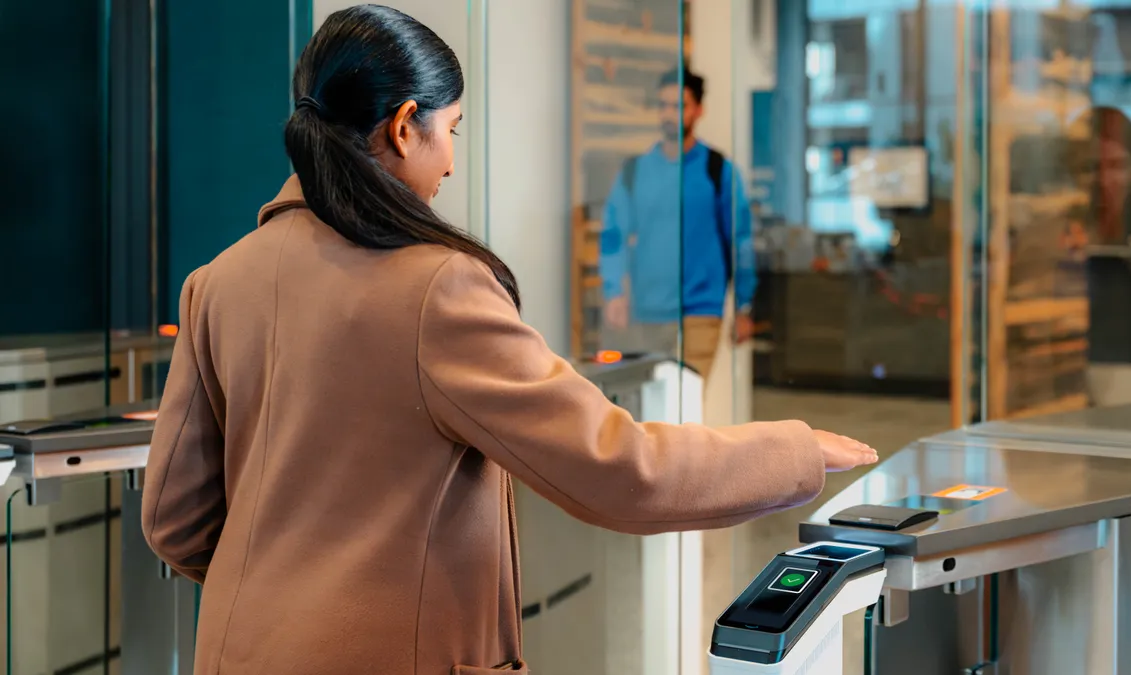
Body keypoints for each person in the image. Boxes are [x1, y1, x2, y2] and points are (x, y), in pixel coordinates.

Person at [140, 7, 877, 674]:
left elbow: (174, 520)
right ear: (404, 126)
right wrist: (795, 450)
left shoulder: (218, 282)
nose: (452, 162)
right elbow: (620, 469)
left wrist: (286, 589)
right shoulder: (436, 289)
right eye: (450, 130)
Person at [599, 68, 756, 380]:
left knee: (688, 408)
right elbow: (613, 234)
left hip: (701, 311)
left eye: (679, 106)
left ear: (698, 110)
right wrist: (614, 291)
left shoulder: (718, 171)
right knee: (652, 411)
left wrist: (744, 307)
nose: (669, 114)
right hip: (647, 312)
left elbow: (740, 241)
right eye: (663, 105)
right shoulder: (636, 171)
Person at [1070, 106, 1131, 404]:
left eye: (1116, 166)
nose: (1103, 180)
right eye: (1092, 168)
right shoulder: (1069, 212)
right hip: (1070, 353)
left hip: (1124, 360)